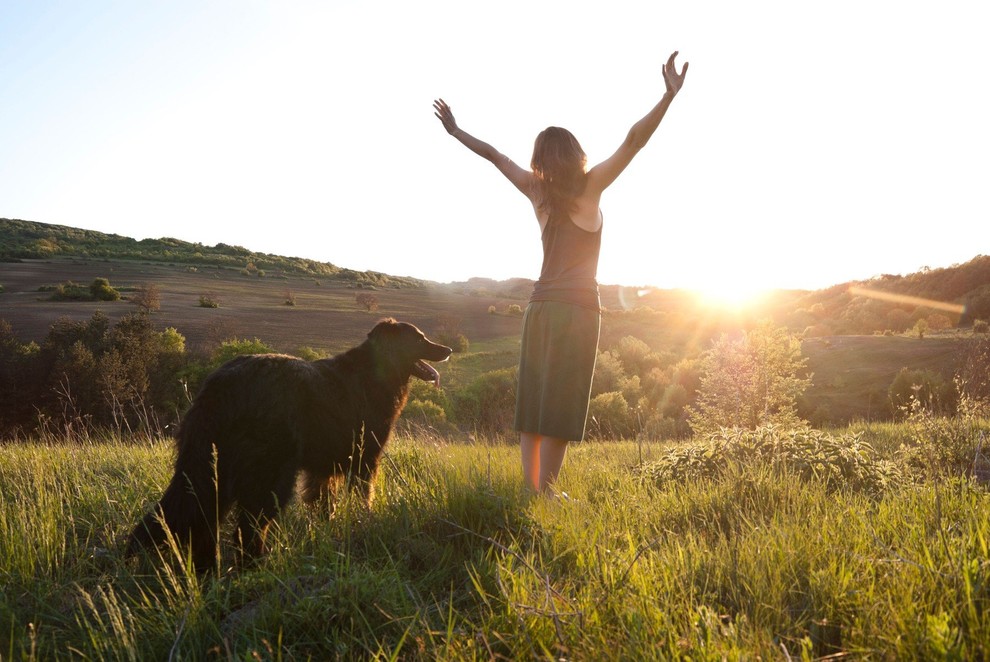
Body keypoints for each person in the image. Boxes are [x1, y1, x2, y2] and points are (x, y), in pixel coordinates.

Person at [434, 51, 688, 494]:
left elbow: (494, 155)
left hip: (539, 309)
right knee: (562, 404)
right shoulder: (591, 188)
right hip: (577, 311)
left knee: (534, 401)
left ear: (541, 162)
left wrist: (455, 131)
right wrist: (666, 98)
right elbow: (632, 141)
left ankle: (531, 489)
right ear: (576, 155)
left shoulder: (537, 193)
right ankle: (546, 493)